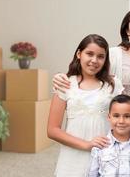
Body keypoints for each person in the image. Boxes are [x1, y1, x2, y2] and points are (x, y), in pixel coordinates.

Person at [53, 8, 130, 134]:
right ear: (127, 31)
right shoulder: (114, 55)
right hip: (118, 131)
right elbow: (89, 73)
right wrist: (60, 76)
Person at [47, 34, 124, 177]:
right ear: (79, 54)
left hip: (105, 155)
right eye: (89, 54)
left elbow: (123, 119)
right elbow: (52, 130)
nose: (94, 60)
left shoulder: (113, 85)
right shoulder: (65, 84)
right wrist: (87, 144)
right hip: (72, 158)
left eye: (101, 56)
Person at [88, 94, 130, 177]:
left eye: (127, 116)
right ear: (109, 117)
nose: (121, 121)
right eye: (116, 116)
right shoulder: (100, 147)